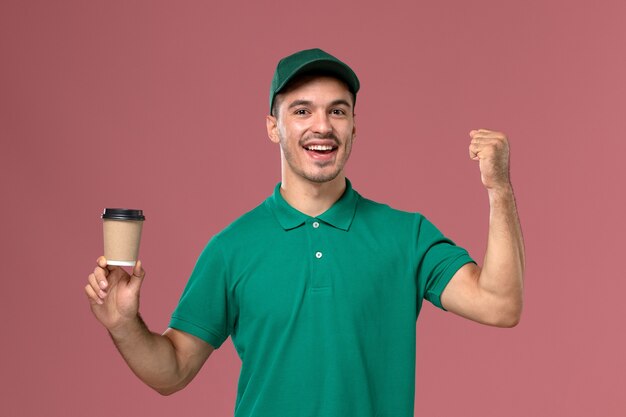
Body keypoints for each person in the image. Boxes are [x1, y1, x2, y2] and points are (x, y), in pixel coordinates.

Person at [85, 48, 524, 416]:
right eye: (301, 111)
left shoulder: (406, 236)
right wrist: (124, 325)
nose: (322, 126)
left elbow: (500, 304)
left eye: (338, 110)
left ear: (354, 126)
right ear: (273, 127)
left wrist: (498, 189)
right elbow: (173, 371)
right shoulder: (231, 248)